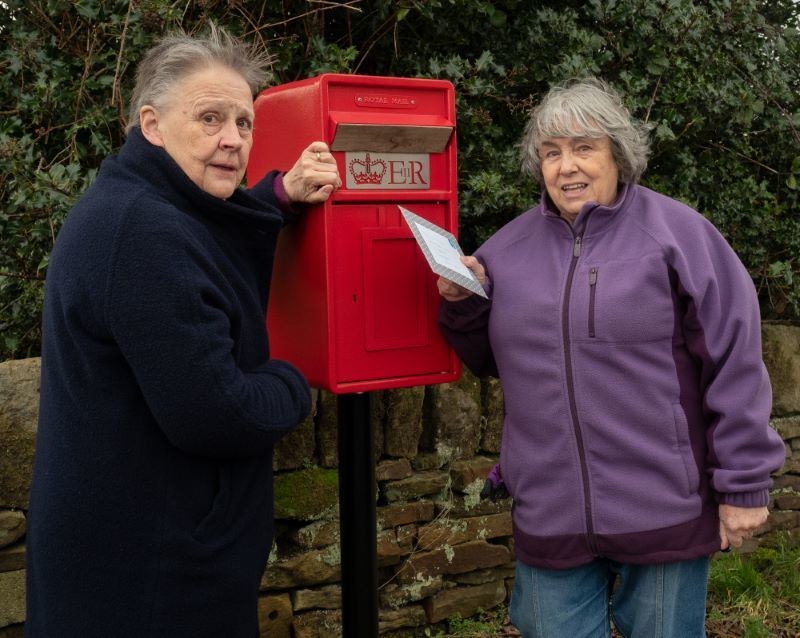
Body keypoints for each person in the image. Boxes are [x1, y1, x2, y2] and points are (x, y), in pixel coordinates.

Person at [437, 77, 785, 637]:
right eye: (551, 153)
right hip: (550, 511)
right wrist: (462, 305)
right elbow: (491, 360)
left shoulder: (681, 236)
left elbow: (735, 360)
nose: (566, 166)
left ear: (617, 154)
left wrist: (743, 484)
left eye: (583, 148)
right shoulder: (504, 251)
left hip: (663, 505)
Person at [25, 25, 340, 637]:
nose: (232, 139)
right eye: (210, 119)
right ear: (151, 124)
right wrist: (291, 379)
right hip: (150, 580)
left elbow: (210, 237)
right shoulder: (142, 233)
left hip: (136, 553)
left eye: (244, 123)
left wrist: (280, 195)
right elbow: (216, 413)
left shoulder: (141, 200)